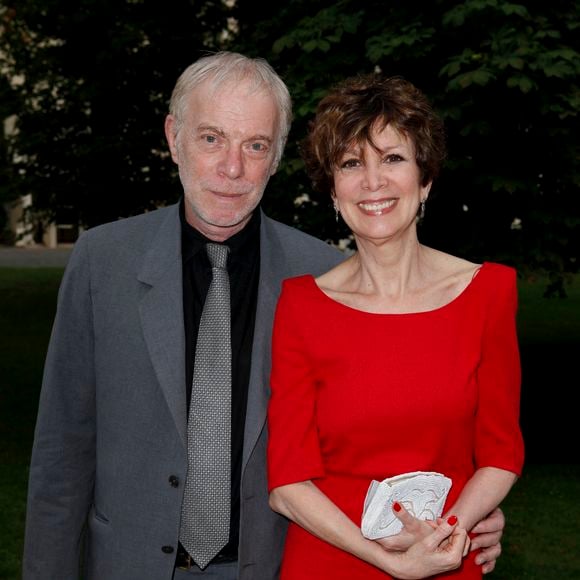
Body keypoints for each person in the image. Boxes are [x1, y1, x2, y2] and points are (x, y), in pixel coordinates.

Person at [22, 53, 505, 580]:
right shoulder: (103, 261)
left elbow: (379, 430)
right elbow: (61, 458)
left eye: (255, 145)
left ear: (276, 157)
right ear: (173, 137)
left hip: (272, 567)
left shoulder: (326, 278)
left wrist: (458, 516)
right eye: (211, 139)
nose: (233, 168)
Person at [267, 73, 524, 579]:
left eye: (392, 158)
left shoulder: (487, 294)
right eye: (351, 164)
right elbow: (287, 485)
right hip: (328, 561)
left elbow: (501, 453)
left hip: (447, 556)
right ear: (333, 192)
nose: (373, 182)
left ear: (425, 179)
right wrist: (392, 563)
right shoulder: (301, 306)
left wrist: (448, 532)